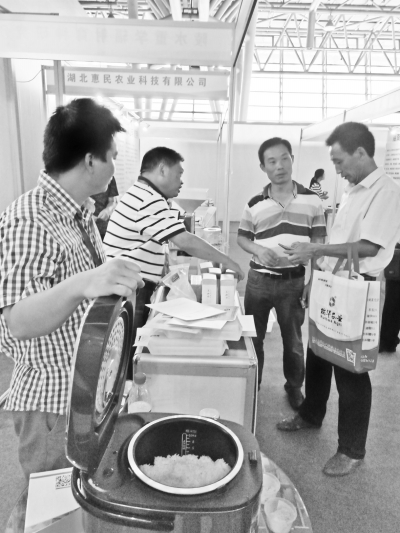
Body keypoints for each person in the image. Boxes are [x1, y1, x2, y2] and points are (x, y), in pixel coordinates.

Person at [0, 98, 144, 480]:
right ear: (91, 161)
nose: (115, 168)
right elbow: (19, 320)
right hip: (52, 404)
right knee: (56, 503)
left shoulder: (80, 213)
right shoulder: (31, 218)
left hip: (84, 393)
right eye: (113, 157)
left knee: (84, 498)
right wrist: (85, 282)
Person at [277, 122, 400, 477]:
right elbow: (339, 239)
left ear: (361, 152)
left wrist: (314, 250)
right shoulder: (352, 190)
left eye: (339, 160)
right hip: (332, 283)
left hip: (357, 288)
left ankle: (351, 449)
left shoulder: (385, 192)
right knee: (318, 353)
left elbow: (369, 247)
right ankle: (311, 414)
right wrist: (316, 278)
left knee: (350, 367)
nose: (337, 169)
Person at [103, 146, 244, 341]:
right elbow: (185, 241)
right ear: (162, 170)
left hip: (128, 285)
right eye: (179, 174)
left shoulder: (144, 194)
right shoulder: (147, 199)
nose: (181, 181)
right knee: (132, 346)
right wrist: (228, 261)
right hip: (129, 289)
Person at [237, 137, 326, 407]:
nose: (279, 166)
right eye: (272, 161)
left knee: (294, 341)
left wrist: (313, 281)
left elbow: (319, 241)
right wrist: (258, 250)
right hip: (258, 281)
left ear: (292, 160)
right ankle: (254, 384)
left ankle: (294, 387)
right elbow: (242, 238)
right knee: (253, 338)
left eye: (284, 158)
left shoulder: (313, 201)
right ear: (263, 167)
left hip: (293, 282)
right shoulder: (254, 203)